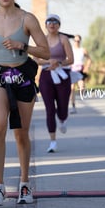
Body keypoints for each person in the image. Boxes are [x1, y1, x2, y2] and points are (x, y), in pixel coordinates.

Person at [0, 0, 50, 206]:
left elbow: (46, 52)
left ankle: (24, 183)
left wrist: (23, 46)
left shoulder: (27, 19)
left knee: (21, 132)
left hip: (22, 75)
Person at [34, 14, 74, 153]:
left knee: (62, 107)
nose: (52, 24)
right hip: (46, 76)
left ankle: (63, 119)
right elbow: (36, 59)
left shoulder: (63, 39)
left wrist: (58, 62)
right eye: (49, 22)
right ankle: (53, 141)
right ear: (45, 25)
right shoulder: (42, 40)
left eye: (55, 22)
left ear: (59, 25)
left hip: (62, 75)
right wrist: (48, 62)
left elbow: (71, 59)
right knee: (50, 109)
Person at [70, 34, 92, 114]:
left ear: (80, 41)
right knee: (72, 89)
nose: (76, 42)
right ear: (73, 41)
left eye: (78, 41)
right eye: (75, 41)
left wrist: (87, 68)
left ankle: (83, 92)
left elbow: (89, 59)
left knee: (81, 87)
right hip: (72, 70)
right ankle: (73, 106)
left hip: (80, 70)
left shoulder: (83, 50)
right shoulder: (70, 49)